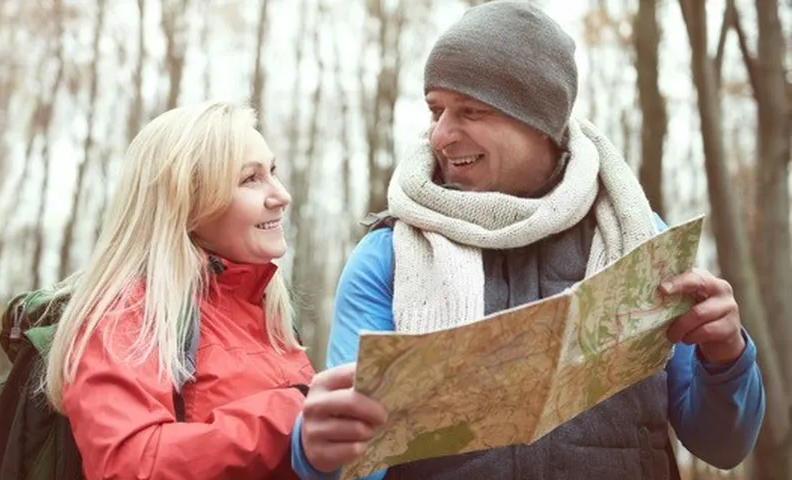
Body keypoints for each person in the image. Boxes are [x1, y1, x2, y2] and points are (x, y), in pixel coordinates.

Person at [292, 1, 766, 479]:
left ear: (540, 121)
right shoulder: (388, 254)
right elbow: (351, 461)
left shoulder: (640, 237)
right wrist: (318, 452)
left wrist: (727, 355)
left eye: (471, 111)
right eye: (436, 109)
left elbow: (722, 446)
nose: (440, 135)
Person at [42, 101, 386, 479]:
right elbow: (128, 466)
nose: (281, 195)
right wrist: (292, 417)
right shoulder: (125, 314)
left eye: (272, 171)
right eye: (250, 179)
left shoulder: (266, 317)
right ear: (188, 203)